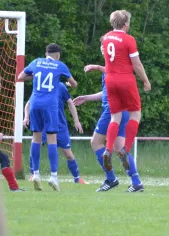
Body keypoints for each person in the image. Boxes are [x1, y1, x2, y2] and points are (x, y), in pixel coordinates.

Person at [101, 10, 150, 193]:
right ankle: (125, 149)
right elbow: (136, 64)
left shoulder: (105, 38)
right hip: (125, 79)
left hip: (110, 80)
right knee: (135, 113)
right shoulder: (129, 39)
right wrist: (145, 80)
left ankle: (108, 150)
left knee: (115, 117)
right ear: (126, 24)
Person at [74, 62, 143, 192]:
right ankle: (136, 182)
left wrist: (97, 67)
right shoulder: (111, 68)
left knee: (96, 142)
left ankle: (111, 179)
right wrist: (87, 98)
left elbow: (114, 74)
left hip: (112, 111)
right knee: (119, 149)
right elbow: (106, 92)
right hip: (123, 111)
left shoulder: (114, 65)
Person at [18, 43, 77, 192]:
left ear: (46, 54)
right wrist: (67, 83)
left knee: (36, 138)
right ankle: (53, 176)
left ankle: (36, 174)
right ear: (57, 55)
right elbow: (73, 83)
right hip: (50, 105)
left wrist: (37, 77)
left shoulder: (37, 62)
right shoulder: (59, 65)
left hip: (35, 102)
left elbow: (21, 76)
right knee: (52, 139)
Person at [24, 83, 87, 184]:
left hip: (60, 125)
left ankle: (77, 178)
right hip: (45, 125)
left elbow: (70, 103)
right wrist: (26, 117)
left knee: (68, 153)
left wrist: (76, 121)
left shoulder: (60, 86)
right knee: (36, 144)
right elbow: (29, 104)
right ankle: (34, 174)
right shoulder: (40, 86)